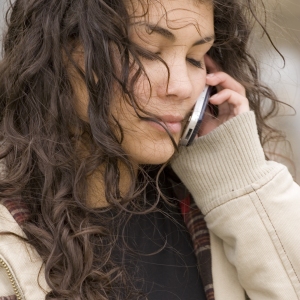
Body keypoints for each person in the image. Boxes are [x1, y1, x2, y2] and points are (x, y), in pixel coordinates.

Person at [0, 0, 299, 299]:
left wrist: (239, 181)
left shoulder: (220, 215)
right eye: (149, 53)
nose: (182, 86)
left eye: (195, 58)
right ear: (57, 51)